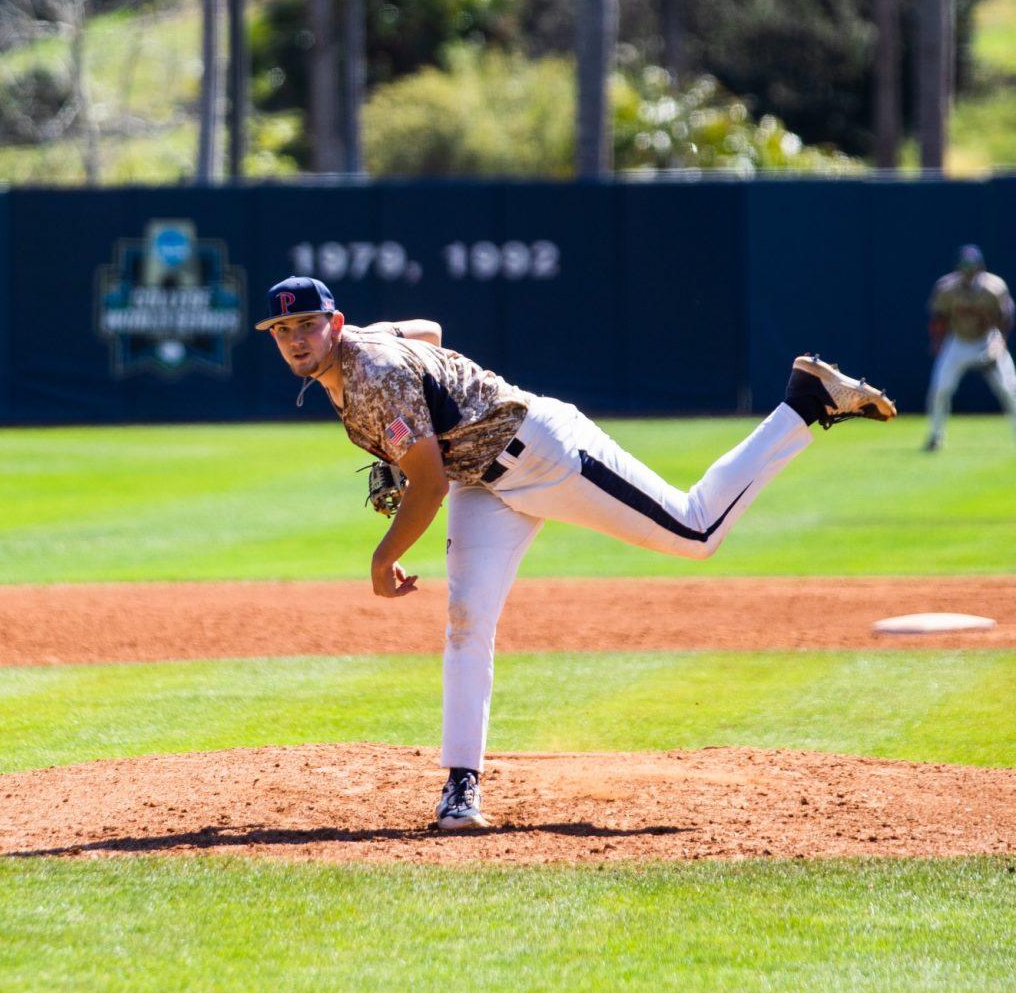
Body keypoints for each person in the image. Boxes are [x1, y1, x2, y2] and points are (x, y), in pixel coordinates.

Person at [256, 275, 897, 832]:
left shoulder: (374, 375)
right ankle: (460, 786)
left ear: (334, 324)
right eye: (282, 329)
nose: (295, 339)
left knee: (696, 530)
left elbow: (427, 484)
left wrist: (380, 558)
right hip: (486, 483)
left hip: (544, 452)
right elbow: (428, 329)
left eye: (308, 324)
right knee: (466, 619)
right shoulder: (364, 347)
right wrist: (438, 399)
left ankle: (802, 402)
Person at [924, 244, 1016, 452]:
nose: (968, 270)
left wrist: (1000, 342)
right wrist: (938, 342)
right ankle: (935, 436)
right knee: (941, 388)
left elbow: (1006, 317)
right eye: (964, 265)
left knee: (1009, 389)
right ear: (958, 266)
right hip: (958, 342)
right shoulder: (947, 287)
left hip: (987, 340)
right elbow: (939, 317)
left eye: (971, 265)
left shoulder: (994, 287)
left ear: (980, 266)